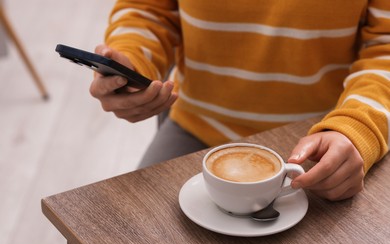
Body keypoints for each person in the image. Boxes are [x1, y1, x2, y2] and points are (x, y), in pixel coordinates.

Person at [89, 1, 390, 201]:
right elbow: (150, 9)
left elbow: (385, 47)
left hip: (324, 144)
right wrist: (132, 60)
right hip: (197, 126)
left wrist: (356, 128)